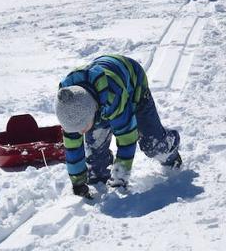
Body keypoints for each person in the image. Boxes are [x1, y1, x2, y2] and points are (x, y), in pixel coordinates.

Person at [56, 55, 181, 198]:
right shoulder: (68, 105)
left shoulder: (113, 97)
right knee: (96, 160)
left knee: (153, 145)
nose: (81, 131)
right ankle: (100, 176)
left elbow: (127, 138)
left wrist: (119, 178)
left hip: (134, 87)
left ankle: (170, 146)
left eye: (83, 126)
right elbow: (72, 145)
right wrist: (78, 182)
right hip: (98, 100)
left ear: (93, 110)